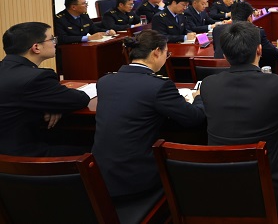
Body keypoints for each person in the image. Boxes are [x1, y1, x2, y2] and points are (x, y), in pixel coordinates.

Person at [200, 21, 278, 208]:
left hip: (218, 178)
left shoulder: (208, 84)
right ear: (259, 50)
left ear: (225, 55)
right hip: (266, 183)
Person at [92, 30, 205, 200]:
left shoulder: (104, 82)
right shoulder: (159, 86)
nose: (166, 58)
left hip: (99, 174)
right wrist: (198, 97)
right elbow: (193, 118)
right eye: (167, 54)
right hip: (136, 177)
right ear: (156, 52)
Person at [0, 22, 90, 156]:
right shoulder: (36, 78)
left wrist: (52, 103)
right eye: (52, 39)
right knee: (94, 147)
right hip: (21, 155)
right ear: (36, 47)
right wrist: (55, 104)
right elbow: (80, 99)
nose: (54, 43)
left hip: (7, 146)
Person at [213, 1, 278, 69]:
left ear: (231, 17)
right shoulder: (256, 31)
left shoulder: (217, 30)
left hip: (219, 70)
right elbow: (273, 53)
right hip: (248, 71)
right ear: (249, 18)